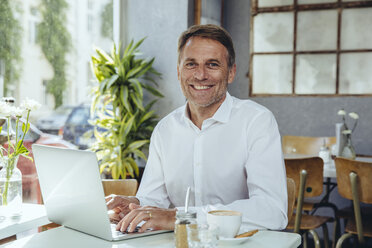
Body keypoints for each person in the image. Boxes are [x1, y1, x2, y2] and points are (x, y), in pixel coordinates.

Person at [106, 24, 288, 233]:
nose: (200, 75)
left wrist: (181, 217)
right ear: (179, 72)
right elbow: (155, 199)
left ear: (231, 73)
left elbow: (272, 211)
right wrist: (133, 206)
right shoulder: (165, 129)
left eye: (212, 64)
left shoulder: (257, 121)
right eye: (191, 64)